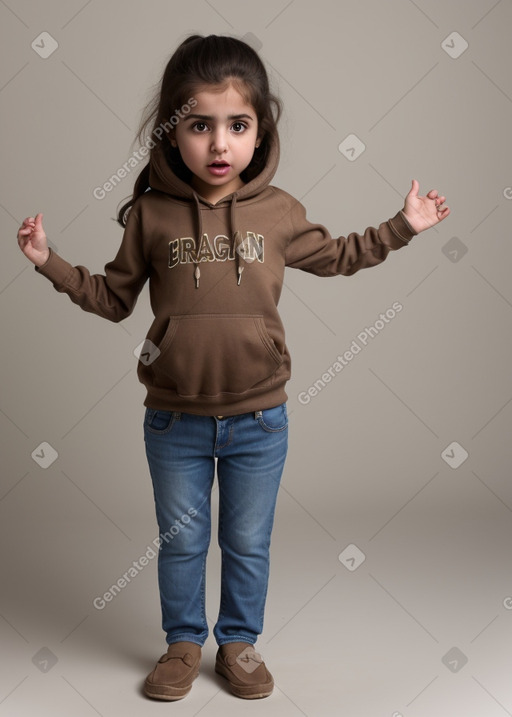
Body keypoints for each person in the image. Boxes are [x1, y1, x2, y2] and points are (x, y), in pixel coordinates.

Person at [17, 33, 450, 701]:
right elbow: (110, 298)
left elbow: (338, 255)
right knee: (183, 545)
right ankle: (183, 643)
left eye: (237, 125)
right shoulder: (152, 216)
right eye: (199, 126)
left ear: (259, 131)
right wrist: (50, 260)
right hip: (174, 421)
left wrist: (402, 224)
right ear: (172, 133)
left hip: (259, 420)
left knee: (248, 544)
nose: (219, 144)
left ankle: (239, 643)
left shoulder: (277, 213)